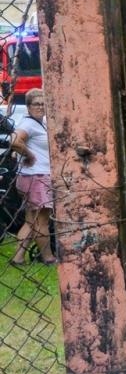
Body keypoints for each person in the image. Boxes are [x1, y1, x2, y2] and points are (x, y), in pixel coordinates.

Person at [10, 89, 55, 265]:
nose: (40, 107)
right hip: (36, 178)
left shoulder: (40, 122)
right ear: (28, 106)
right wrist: (29, 155)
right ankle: (49, 258)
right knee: (42, 221)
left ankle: (18, 257)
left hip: (31, 177)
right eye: (36, 104)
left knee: (31, 221)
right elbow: (14, 141)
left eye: (43, 103)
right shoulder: (28, 124)